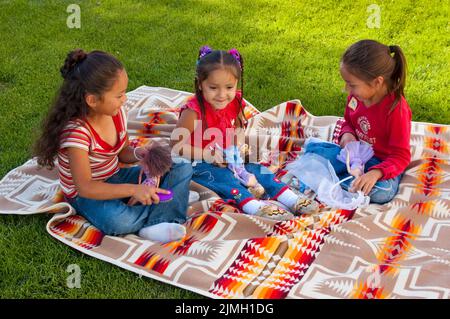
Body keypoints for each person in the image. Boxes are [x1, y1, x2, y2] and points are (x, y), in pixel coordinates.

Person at [34, 49, 193, 243]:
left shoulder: (116, 114)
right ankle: (164, 211)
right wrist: (133, 190)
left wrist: (138, 153)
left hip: (114, 176)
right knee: (119, 221)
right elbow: (85, 187)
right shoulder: (77, 133)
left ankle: (158, 218)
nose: (124, 100)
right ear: (92, 100)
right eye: (119, 95)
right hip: (87, 194)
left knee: (181, 164)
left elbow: (122, 153)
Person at [171, 46, 318, 220]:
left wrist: (238, 146)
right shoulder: (193, 112)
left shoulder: (236, 102)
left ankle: (290, 198)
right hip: (199, 161)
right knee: (223, 178)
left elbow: (239, 128)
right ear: (200, 84)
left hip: (228, 157)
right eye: (213, 87)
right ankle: (252, 205)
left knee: (258, 169)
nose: (222, 95)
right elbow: (175, 146)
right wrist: (208, 154)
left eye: (229, 87)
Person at [306, 39, 411, 204]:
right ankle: (336, 177)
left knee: (383, 193)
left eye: (352, 85)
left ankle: (328, 179)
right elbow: (348, 122)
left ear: (377, 82)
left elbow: (401, 156)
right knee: (313, 152)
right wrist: (347, 135)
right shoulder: (356, 97)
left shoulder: (396, 110)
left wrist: (376, 173)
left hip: (382, 164)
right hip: (354, 158)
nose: (347, 90)